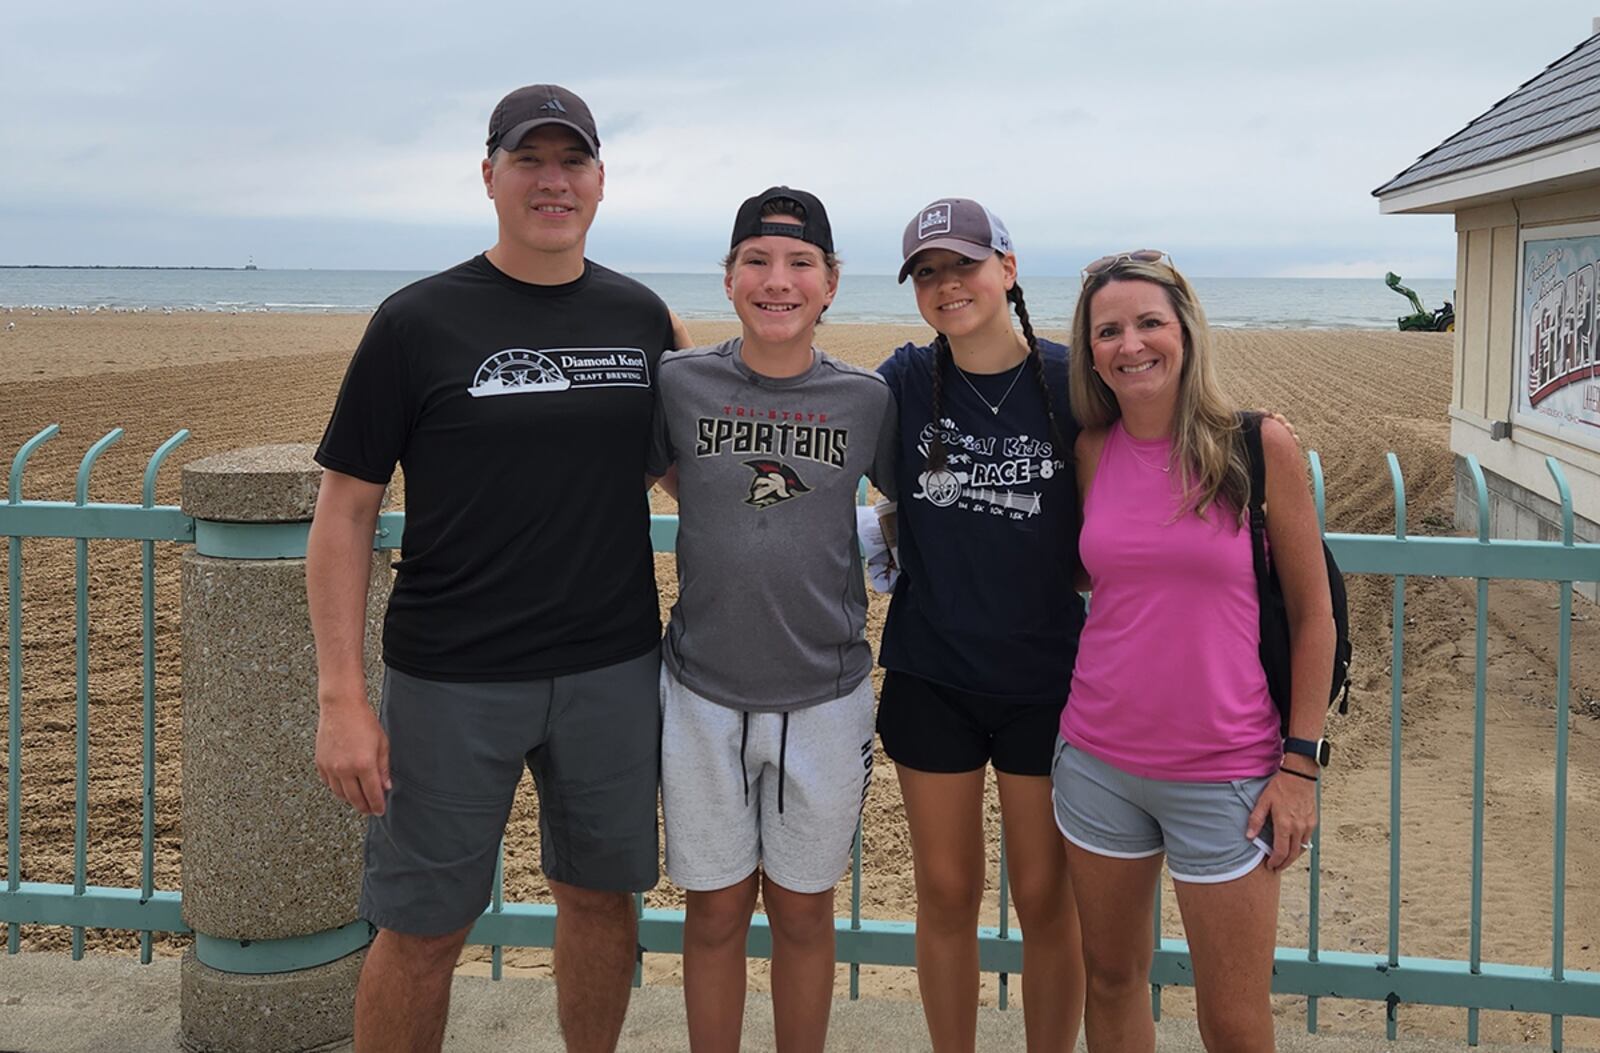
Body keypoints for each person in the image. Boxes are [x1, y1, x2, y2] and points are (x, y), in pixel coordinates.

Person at [307, 84, 682, 1053]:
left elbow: (695, 479)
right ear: (490, 176)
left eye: (572, 162)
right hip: (449, 677)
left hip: (610, 668)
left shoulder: (642, 319)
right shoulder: (416, 321)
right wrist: (341, 699)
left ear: (601, 182)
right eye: (530, 160)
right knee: (424, 928)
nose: (551, 181)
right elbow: (345, 510)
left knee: (602, 904)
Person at [1055, 251, 1334, 1052]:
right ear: (1092, 350)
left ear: (1185, 331)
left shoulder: (1257, 445)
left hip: (1231, 776)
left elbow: (1315, 617)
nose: (1130, 343)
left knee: (1236, 1020)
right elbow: (1096, 571)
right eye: (1108, 330)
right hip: (1097, 763)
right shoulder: (1093, 451)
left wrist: (1300, 767)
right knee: (1109, 982)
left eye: (1149, 322)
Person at [647, 186, 897, 1053]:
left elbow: (912, 505)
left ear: (830, 282)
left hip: (825, 696)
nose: (777, 280)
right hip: (702, 689)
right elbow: (658, 477)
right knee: (713, 911)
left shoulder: (866, 400)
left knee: (802, 911)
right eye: (757, 260)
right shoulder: (681, 382)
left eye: (799, 264)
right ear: (728, 279)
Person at [873, 198, 1085, 1052]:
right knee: (948, 891)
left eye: (963, 264)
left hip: (1048, 679)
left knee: (1044, 897)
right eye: (927, 272)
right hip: (934, 673)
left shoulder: (1077, 382)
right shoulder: (899, 383)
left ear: (1007, 267)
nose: (947, 284)